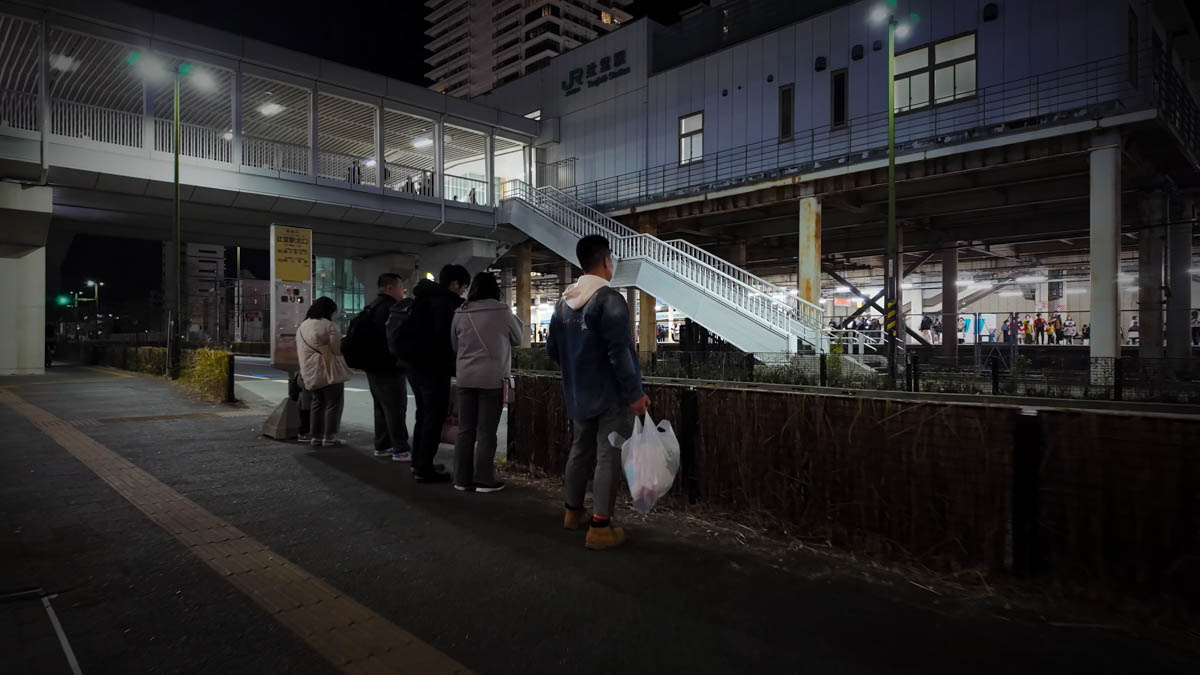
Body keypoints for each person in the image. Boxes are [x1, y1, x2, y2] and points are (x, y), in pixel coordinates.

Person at [548, 234, 649, 551]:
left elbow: (553, 350)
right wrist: (635, 394)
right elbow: (620, 353)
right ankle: (600, 528)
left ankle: (572, 512)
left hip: (578, 392)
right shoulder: (609, 299)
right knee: (607, 455)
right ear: (606, 261)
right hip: (610, 395)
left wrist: (577, 368)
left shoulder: (563, 303)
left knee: (580, 450)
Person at [450, 271, 522, 493]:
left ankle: (461, 479)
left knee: (465, 430)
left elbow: (454, 344)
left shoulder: (460, 312)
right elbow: (518, 339)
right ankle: (483, 479)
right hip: (492, 379)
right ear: (495, 289)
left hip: (465, 378)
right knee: (486, 431)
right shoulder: (502, 312)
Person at [407, 264, 470, 483]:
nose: (463, 292)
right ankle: (424, 469)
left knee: (423, 414)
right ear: (454, 284)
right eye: (463, 288)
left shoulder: (423, 298)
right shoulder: (444, 304)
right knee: (433, 417)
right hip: (433, 368)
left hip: (415, 366)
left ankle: (418, 463)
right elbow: (446, 340)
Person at [362, 273, 414, 462]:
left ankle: (382, 445)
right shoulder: (392, 309)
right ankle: (400, 448)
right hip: (389, 366)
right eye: (401, 288)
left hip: (371, 365)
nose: (403, 291)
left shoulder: (371, 306)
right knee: (395, 407)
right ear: (390, 287)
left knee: (381, 407)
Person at [296, 297, 352, 447]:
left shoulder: (302, 326)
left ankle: (316, 437)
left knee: (317, 403)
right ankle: (330, 437)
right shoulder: (329, 326)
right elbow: (336, 350)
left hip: (310, 372)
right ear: (329, 311)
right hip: (328, 370)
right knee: (333, 404)